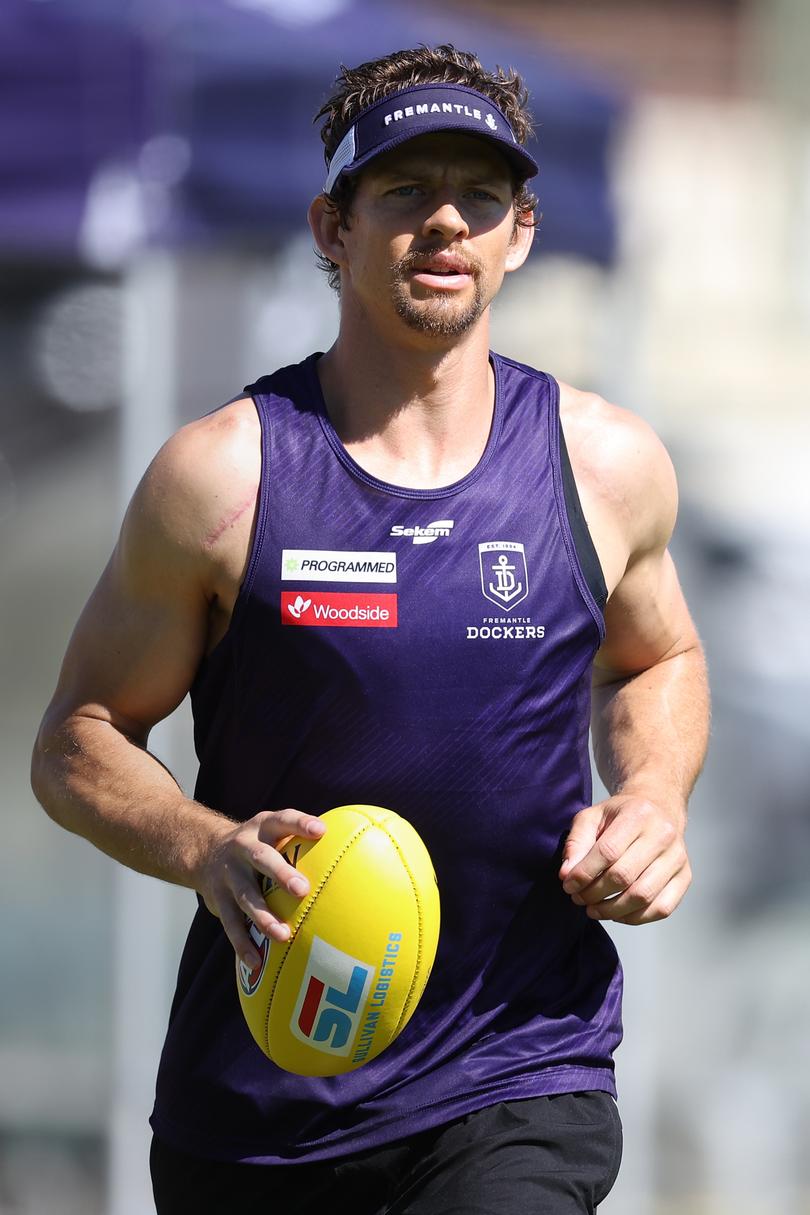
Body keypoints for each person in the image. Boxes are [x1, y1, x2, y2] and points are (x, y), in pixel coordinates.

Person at [31, 43, 709, 1215]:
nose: (446, 222)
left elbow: (661, 659)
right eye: (404, 191)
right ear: (331, 228)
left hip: (517, 1067)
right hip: (260, 1100)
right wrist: (204, 848)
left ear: (523, 233)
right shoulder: (223, 476)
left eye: (480, 197)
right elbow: (77, 738)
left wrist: (651, 798)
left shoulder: (603, 464)